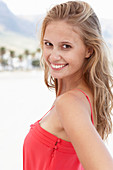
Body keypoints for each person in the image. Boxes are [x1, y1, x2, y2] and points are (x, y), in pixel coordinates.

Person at [23, 1, 113, 169]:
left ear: (89, 50)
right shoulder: (84, 97)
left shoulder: (69, 103)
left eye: (66, 46)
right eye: (48, 44)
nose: (53, 56)